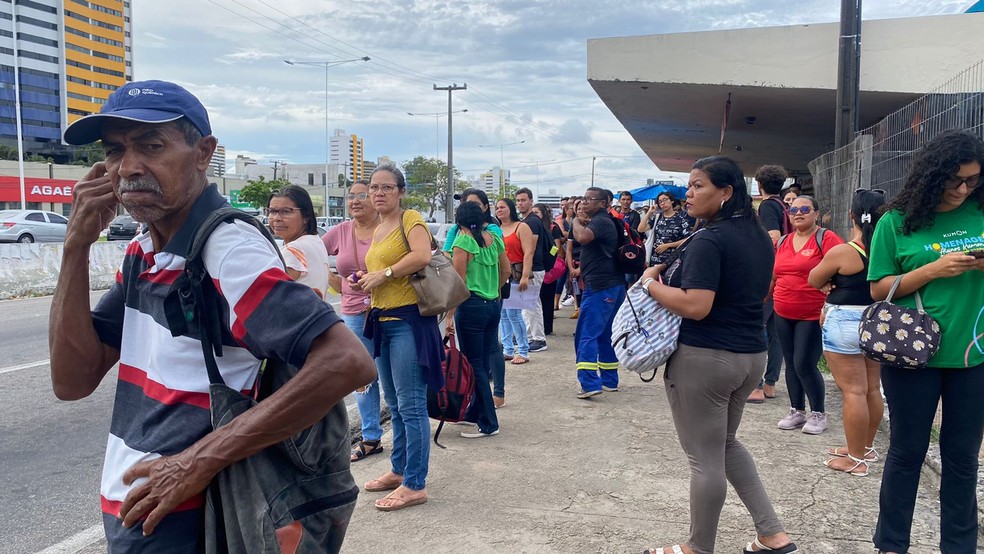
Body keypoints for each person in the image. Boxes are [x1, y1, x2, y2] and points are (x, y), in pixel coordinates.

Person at [49, 80, 375, 550]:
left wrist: (194, 463)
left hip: (194, 518)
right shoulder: (145, 249)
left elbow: (346, 361)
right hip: (138, 506)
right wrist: (75, 248)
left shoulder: (227, 249)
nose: (129, 167)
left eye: (151, 146)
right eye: (114, 150)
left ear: (203, 153)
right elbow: (73, 380)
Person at [640, 156, 796, 554]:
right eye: (688, 186)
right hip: (751, 356)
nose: (689, 194)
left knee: (703, 459)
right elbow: (763, 292)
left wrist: (650, 285)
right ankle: (772, 534)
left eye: (699, 186)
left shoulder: (711, 239)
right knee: (725, 445)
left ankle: (697, 547)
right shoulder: (759, 236)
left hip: (706, 358)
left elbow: (696, 305)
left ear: (726, 192)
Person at [868, 130, 984, 554]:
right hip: (912, 353)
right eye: (954, 181)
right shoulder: (895, 222)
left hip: (974, 356)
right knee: (906, 453)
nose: (963, 189)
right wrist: (933, 270)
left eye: (973, 180)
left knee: (962, 459)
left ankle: (959, 547)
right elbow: (879, 289)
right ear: (931, 177)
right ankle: (891, 544)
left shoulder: (980, 211)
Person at [354, 163, 442, 512]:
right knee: (394, 401)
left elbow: (422, 256)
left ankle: (415, 484)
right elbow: (382, 274)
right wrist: (365, 277)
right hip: (383, 321)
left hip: (409, 322)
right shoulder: (379, 228)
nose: (378, 193)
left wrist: (385, 273)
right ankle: (398, 470)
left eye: (387, 188)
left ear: (401, 192)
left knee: (411, 405)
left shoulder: (411, 219)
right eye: (373, 188)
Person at [807, 189, 887, 476]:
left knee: (852, 390)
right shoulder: (888, 249)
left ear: (851, 215)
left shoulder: (844, 251)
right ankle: (864, 447)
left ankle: (855, 459)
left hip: (846, 321)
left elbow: (814, 278)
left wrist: (831, 281)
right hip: (878, 321)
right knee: (871, 388)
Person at [322, 180, 385, 462]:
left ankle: (406, 433)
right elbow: (311, 254)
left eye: (363, 195)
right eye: (352, 196)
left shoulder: (389, 230)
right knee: (362, 375)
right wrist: (334, 281)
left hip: (388, 309)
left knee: (392, 376)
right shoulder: (341, 231)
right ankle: (371, 437)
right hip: (353, 312)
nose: (356, 200)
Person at [773, 196, 843, 434]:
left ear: (816, 214)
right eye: (793, 210)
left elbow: (842, 267)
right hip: (782, 310)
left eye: (804, 209)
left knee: (804, 362)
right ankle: (797, 410)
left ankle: (818, 413)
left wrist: (830, 284)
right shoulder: (783, 241)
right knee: (791, 362)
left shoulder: (826, 238)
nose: (798, 213)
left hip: (812, 313)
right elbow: (774, 275)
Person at [445, 201, 510, 437]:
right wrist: (494, 289)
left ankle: (489, 422)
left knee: (476, 366)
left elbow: (458, 283)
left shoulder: (463, 241)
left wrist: (449, 315)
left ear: (459, 221)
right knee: (481, 361)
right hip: (492, 304)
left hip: (471, 306)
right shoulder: (493, 239)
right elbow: (506, 270)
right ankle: (474, 413)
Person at [571, 187, 625, 398]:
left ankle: (590, 383)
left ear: (603, 203)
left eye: (589, 199)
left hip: (601, 287)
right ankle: (609, 380)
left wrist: (575, 220)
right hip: (613, 285)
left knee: (586, 334)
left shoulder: (601, 221)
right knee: (605, 335)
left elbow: (582, 238)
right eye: (583, 198)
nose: (584, 203)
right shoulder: (605, 220)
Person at [749, 165, 791, 403]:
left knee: (756, 327)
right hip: (785, 273)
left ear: (759, 184)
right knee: (776, 332)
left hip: (769, 273)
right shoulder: (785, 206)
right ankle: (771, 383)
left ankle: (755, 386)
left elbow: (773, 236)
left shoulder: (766, 206)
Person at [267, 185, 331, 298]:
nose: (276, 218)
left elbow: (270, 296)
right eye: (272, 211)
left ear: (306, 216)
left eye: (285, 211)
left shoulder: (293, 250)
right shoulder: (315, 241)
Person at [496, 198, 534, 365]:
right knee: (503, 314)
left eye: (502, 207)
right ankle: (508, 349)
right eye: (497, 208)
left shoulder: (521, 227)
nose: (499, 210)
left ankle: (523, 350)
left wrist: (525, 275)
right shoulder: (496, 229)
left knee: (514, 313)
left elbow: (528, 252)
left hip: (516, 275)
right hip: (500, 275)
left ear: (510, 209)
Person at [514, 187, 548, 352]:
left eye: (523, 200)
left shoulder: (532, 221)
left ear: (531, 201)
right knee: (527, 305)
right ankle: (529, 336)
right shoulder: (527, 220)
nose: (520, 203)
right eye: (518, 201)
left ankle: (539, 339)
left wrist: (525, 273)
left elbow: (530, 248)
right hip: (531, 268)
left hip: (533, 268)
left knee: (531, 305)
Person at [637, 191, 694, 267]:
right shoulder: (657, 218)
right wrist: (649, 212)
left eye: (665, 199)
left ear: (672, 201)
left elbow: (688, 239)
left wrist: (668, 245)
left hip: (673, 260)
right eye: (660, 201)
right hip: (655, 260)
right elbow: (640, 229)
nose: (663, 203)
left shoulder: (681, 219)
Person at [532, 202, 564, 336]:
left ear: (543, 214)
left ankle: (547, 327)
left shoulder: (552, 228)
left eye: (537, 213)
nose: (534, 216)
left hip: (548, 267)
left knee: (547, 298)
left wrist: (550, 259)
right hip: (537, 267)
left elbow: (556, 247)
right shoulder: (530, 226)